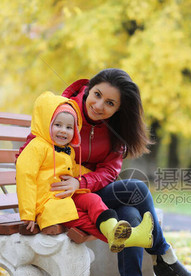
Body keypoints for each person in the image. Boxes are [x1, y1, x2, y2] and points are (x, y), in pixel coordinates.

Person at [17, 69, 191, 276]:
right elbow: (27, 155)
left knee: (133, 203)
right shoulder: (61, 112)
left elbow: (109, 172)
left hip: (89, 193)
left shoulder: (115, 129)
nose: (99, 106)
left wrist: (80, 183)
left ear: (118, 109)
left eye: (110, 103)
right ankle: (159, 262)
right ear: (89, 89)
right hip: (59, 198)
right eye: (97, 95)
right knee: (134, 201)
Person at [16, 91, 155, 253]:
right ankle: (125, 237)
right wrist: (28, 214)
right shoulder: (37, 147)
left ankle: (114, 228)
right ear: (46, 123)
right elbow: (25, 177)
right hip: (49, 205)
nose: (63, 131)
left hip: (67, 195)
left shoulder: (66, 151)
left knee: (92, 199)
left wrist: (88, 176)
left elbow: (75, 169)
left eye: (69, 127)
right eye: (57, 125)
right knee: (84, 219)